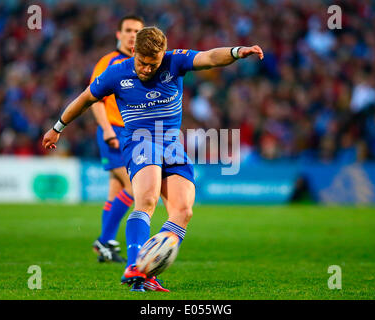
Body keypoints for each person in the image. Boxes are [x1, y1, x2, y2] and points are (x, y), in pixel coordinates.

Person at [42, 26, 264, 292]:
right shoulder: (116, 73)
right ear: (134, 51)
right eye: (143, 63)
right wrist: (57, 128)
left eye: (153, 64)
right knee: (146, 201)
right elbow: (85, 99)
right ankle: (136, 267)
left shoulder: (174, 61)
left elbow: (209, 58)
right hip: (140, 142)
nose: (147, 69)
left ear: (162, 56)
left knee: (183, 212)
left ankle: (147, 272)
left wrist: (237, 52)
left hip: (172, 146)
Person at [90, 15, 144, 263]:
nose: (132, 35)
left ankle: (106, 247)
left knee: (115, 192)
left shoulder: (139, 62)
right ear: (118, 34)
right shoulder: (109, 61)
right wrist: (107, 130)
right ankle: (103, 240)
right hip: (113, 130)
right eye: (128, 30)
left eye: (137, 31)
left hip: (130, 132)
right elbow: (95, 99)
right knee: (134, 188)